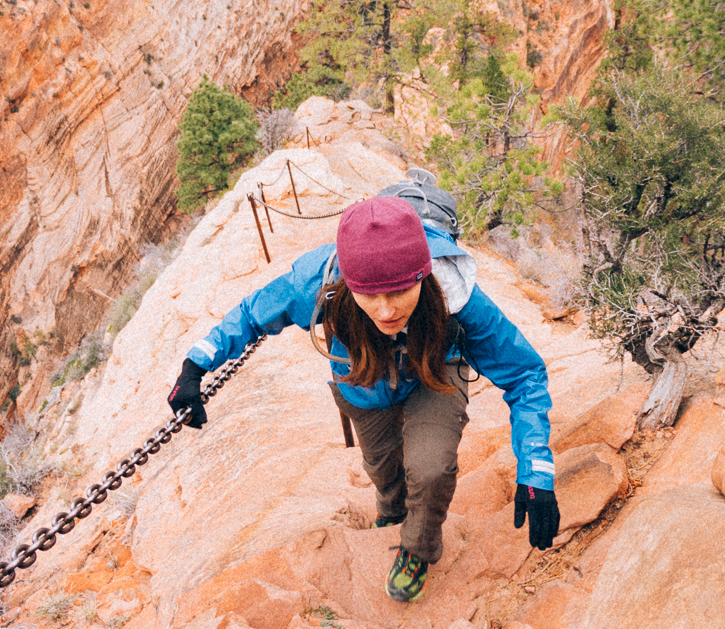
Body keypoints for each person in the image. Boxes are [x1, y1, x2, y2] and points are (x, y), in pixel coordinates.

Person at [168, 190, 559, 601]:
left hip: (434, 370)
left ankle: (416, 548)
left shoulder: (453, 293)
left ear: (422, 277)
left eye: (398, 291)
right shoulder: (319, 281)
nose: (386, 310)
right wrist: (196, 365)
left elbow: (525, 372)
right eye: (370, 294)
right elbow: (253, 313)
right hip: (363, 381)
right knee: (381, 463)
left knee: (431, 467)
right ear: (350, 283)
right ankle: (391, 513)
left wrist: (535, 471)